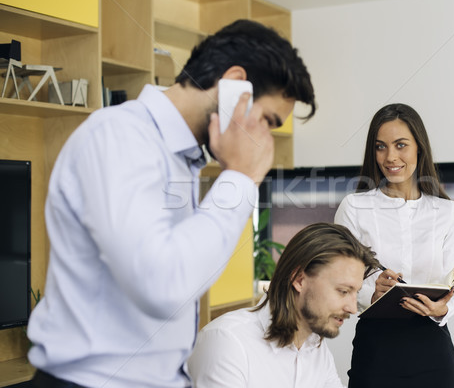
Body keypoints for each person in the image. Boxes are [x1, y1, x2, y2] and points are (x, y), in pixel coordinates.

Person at [27, 20, 316, 388]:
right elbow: (161, 285)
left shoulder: (181, 159)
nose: (264, 142)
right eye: (267, 121)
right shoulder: (121, 136)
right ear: (234, 84)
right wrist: (240, 178)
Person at [334, 103, 454, 387]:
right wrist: (371, 291)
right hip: (376, 349)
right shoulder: (354, 207)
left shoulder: (447, 212)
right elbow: (340, 281)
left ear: (419, 147)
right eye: (381, 147)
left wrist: (442, 310)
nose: (390, 157)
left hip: (433, 350)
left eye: (400, 145)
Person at [187, 222, 379, 388]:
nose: (352, 308)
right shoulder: (227, 341)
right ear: (299, 279)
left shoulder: (316, 350)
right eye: (343, 291)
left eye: (356, 293)